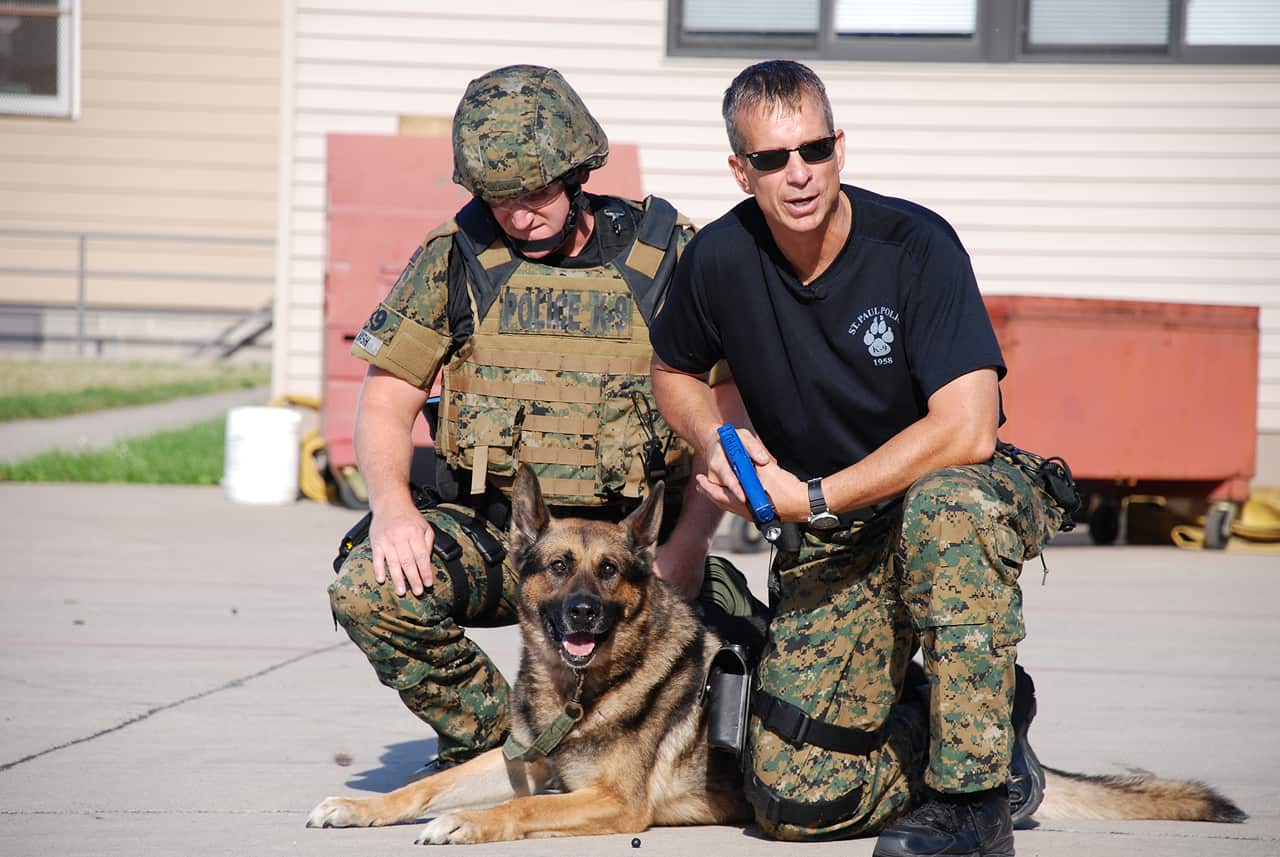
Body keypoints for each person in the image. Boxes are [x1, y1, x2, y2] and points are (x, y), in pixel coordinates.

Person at [649, 60, 1074, 856]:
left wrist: (809, 497)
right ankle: (973, 716)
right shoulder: (720, 258)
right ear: (741, 170)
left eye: (812, 149)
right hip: (837, 537)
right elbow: (672, 369)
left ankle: (974, 802)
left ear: (840, 146)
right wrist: (717, 441)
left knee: (950, 507)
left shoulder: (915, 245)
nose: (798, 173)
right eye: (772, 159)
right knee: (792, 803)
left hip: (943, 497)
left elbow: (968, 426)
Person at [329, 64, 740, 773]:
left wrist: (694, 541)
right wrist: (395, 508)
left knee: (777, 691)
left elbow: (729, 406)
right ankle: (499, 747)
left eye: (538, 192)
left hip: (637, 554)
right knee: (367, 585)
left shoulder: (668, 255)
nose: (520, 215)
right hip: (504, 536)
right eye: (500, 198)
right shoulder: (454, 259)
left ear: (576, 171)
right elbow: (386, 399)